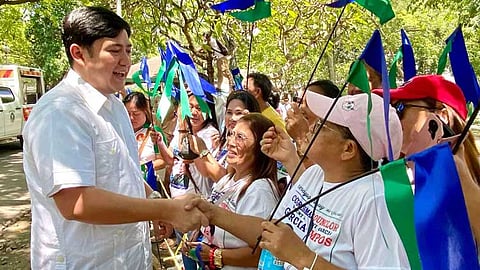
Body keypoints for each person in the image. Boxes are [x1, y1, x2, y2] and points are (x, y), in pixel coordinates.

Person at [22, 7, 207, 269]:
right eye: (114, 51)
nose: (125, 61)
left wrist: (153, 200)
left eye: (128, 51)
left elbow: (125, 172)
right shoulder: (60, 112)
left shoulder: (116, 106)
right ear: (79, 53)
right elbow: (76, 203)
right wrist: (164, 209)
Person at [187, 93, 409, 269]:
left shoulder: (374, 201)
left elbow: (294, 250)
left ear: (348, 149)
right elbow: (271, 230)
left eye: (322, 124)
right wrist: (211, 212)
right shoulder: (315, 175)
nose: (310, 125)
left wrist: (304, 258)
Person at [189, 113, 280, 269]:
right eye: (231, 134)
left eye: (240, 137)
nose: (231, 142)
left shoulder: (260, 190)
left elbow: (261, 251)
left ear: (260, 147)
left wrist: (214, 256)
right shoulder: (228, 180)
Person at [190, 90, 261, 182]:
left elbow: (225, 180)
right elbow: (206, 173)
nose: (232, 118)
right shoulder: (222, 141)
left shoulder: (247, 146)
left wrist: (203, 151)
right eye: (229, 112)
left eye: (238, 113)